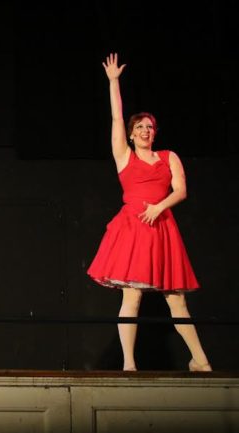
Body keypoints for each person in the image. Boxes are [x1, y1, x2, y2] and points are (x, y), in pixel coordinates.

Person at [87, 53, 211, 372]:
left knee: (177, 299)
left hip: (162, 227)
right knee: (132, 298)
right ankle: (129, 363)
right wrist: (114, 82)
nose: (145, 130)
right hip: (133, 228)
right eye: (140, 126)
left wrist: (160, 207)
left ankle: (201, 360)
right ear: (131, 134)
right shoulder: (125, 156)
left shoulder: (169, 156)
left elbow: (181, 190)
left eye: (150, 127)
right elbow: (116, 118)